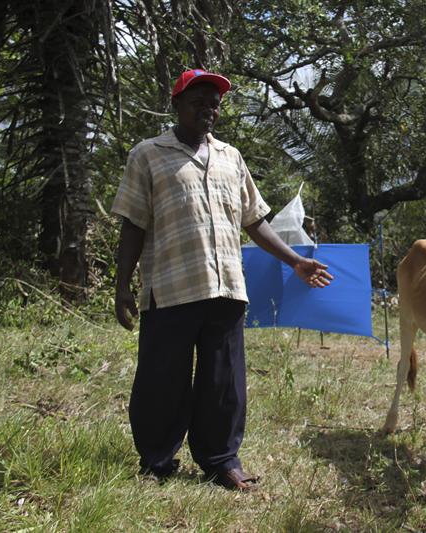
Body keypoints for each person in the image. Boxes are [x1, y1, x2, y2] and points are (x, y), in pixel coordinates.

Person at [112, 69, 333, 491]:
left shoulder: (231, 157)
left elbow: (255, 221)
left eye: (214, 102)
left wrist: (295, 262)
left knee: (223, 382)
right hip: (172, 286)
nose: (208, 109)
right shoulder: (148, 154)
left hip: (227, 288)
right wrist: (122, 285)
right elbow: (133, 224)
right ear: (176, 104)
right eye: (198, 100)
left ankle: (220, 461)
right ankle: (157, 459)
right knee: (163, 378)